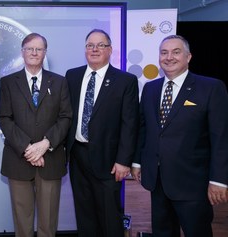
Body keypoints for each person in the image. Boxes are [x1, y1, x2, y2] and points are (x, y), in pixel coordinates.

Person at [132, 35, 228, 237]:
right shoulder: (150, 89)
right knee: (163, 233)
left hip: (192, 184)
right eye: (164, 52)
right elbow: (143, 129)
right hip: (157, 181)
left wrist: (219, 180)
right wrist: (138, 162)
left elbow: (221, 137)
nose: (169, 57)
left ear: (188, 57)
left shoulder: (211, 88)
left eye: (176, 52)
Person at [65, 29, 139, 237]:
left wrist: (124, 161)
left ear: (110, 50)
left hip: (109, 160)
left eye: (100, 45)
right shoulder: (72, 75)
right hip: (77, 156)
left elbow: (129, 124)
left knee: (109, 215)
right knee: (84, 213)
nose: (94, 49)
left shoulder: (125, 81)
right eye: (90, 45)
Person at [0, 33, 72, 237]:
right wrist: (29, 148)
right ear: (22, 52)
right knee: (22, 221)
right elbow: (4, 118)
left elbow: (65, 117)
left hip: (51, 160)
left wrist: (45, 145)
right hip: (19, 160)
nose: (34, 53)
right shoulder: (9, 82)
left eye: (38, 49)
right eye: (29, 48)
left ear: (45, 53)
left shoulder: (59, 82)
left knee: (48, 223)